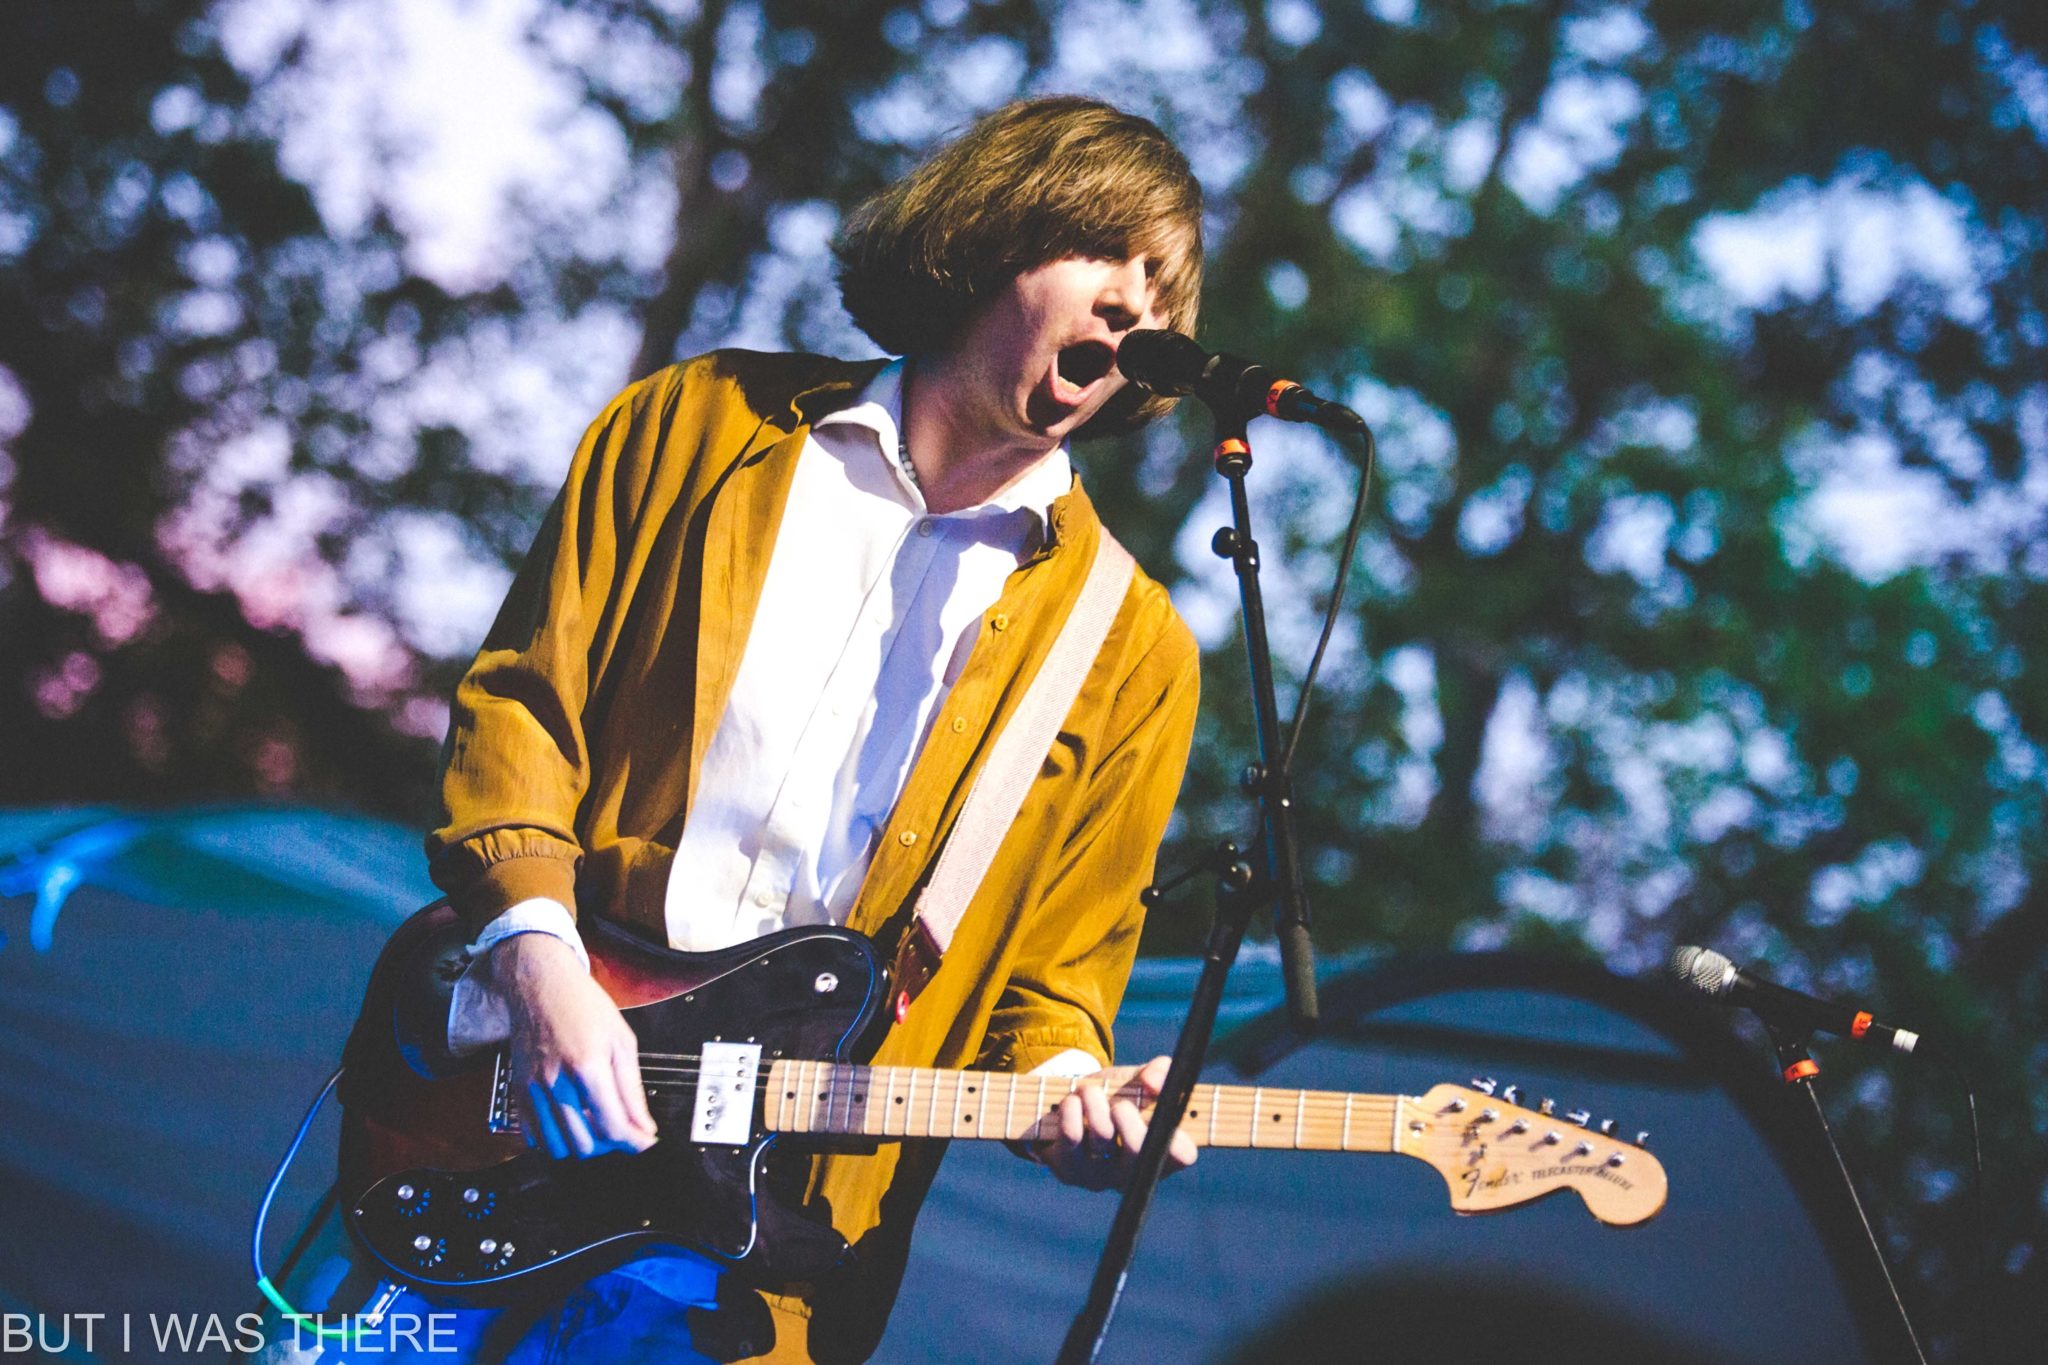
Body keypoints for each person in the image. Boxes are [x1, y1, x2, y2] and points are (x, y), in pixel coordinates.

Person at [268, 95, 1207, 1365]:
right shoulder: (700, 428)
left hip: (758, 1260)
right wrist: (540, 967)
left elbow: (1054, 988)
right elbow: (520, 705)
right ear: (992, 236)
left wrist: (1069, 1103)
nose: (1132, 311)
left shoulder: (1129, 647)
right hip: (493, 1118)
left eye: (1160, 294)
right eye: (1104, 257)